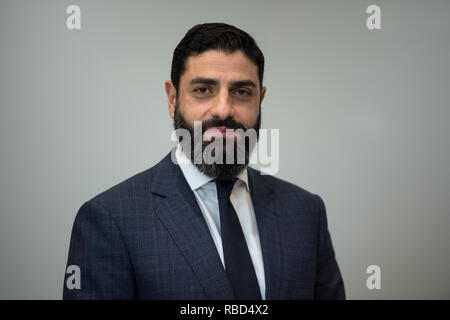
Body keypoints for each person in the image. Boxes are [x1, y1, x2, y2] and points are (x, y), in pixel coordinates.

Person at [63, 22, 345, 300]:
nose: (224, 109)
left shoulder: (307, 212)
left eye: (242, 92)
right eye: (203, 90)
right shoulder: (110, 219)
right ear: (173, 99)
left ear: (260, 98)